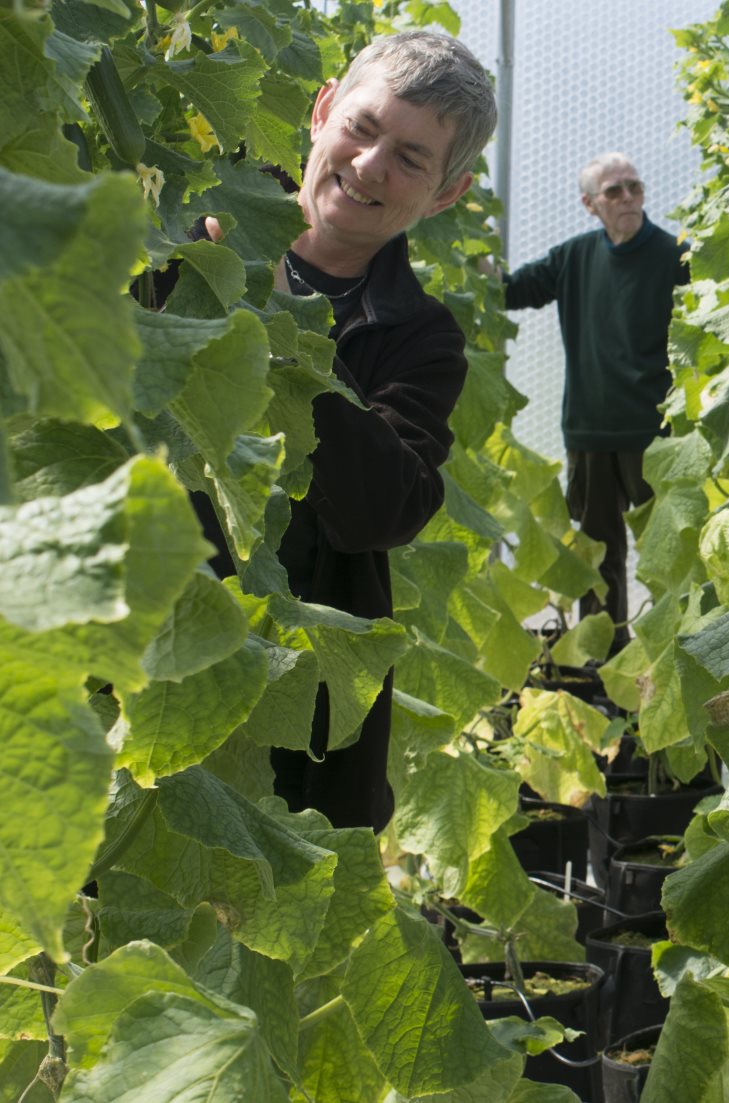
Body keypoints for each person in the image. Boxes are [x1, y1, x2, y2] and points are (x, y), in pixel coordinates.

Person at [188, 30, 497, 830]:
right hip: (137, 641)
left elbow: (379, 508)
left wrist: (270, 314)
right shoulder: (182, 224)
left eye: (410, 159)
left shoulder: (418, 339)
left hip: (299, 708)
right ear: (323, 109)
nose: (369, 167)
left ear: (445, 195)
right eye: (362, 128)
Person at [497, 153, 690, 642]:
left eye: (634, 187)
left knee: (665, 554)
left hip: (656, 436)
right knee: (598, 554)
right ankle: (603, 659)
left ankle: (667, 653)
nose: (627, 198)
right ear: (590, 204)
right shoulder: (573, 258)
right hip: (588, 432)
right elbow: (509, 291)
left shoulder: (675, 257)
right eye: (614, 191)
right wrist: (469, 248)